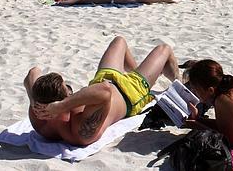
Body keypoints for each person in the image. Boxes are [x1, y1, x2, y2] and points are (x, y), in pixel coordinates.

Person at [26, 36, 181, 146]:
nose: (70, 90)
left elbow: (33, 72)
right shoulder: (79, 132)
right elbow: (105, 91)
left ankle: (142, 72)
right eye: (67, 91)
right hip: (129, 93)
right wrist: (62, 105)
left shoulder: (39, 118)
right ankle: (179, 84)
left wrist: (33, 99)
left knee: (119, 41)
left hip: (102, 78)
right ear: (59, 104)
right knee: (164, 49)